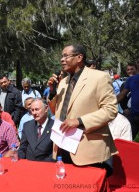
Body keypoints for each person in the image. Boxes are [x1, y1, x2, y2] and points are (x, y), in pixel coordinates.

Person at [48, 44, 118, 177]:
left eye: (66, 56)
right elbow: (56, 111)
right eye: (61, 56)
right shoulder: (63, 82)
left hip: (87, 147)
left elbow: (111, 110)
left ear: (79, 57)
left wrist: (79, 121)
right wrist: (52, 93)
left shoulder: (99, 77)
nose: (62, 60)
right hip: (63, 145)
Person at [117, 69, 139, 139]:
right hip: (134, 116)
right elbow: (122, 95)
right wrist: (108, 104)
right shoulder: (131, 79)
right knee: (127, 140)